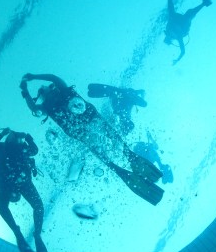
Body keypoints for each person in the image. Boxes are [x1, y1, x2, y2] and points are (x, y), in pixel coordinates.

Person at [20, 73, 164, 205]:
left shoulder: (63, 91)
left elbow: (53, 78)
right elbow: (34, 108)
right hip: (82, 126)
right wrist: (26, 92)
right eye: (42, 91)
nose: (45, 89)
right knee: (101, 144)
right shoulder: (49, 105)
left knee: (109, 136)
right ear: (43, 96)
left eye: (44, 88)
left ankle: (127, 155)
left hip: (86, 121)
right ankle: (118, 164)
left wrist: (33, 77)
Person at [0, 127, 49, 252]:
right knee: (38, 207)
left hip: (10, 183)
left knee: (4, 207)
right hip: (19, 183)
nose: (13, 137)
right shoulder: (20, 148)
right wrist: (27, 136)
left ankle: (30, 234)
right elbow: (35, 150)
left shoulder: (6, 147)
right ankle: (35, 235)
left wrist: (9, 134)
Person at [163, 0, 211, 64]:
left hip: (177, 19)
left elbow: (170, 15)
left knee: (172, 13)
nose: (168, 35)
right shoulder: (178, 37)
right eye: (169, 37)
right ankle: (204, 3)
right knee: (189, 14)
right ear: (170, 39)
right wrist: (177, 60)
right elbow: (183, 51)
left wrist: (177, 59)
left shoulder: (168, 31)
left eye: (167, 36)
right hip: (183, 23)